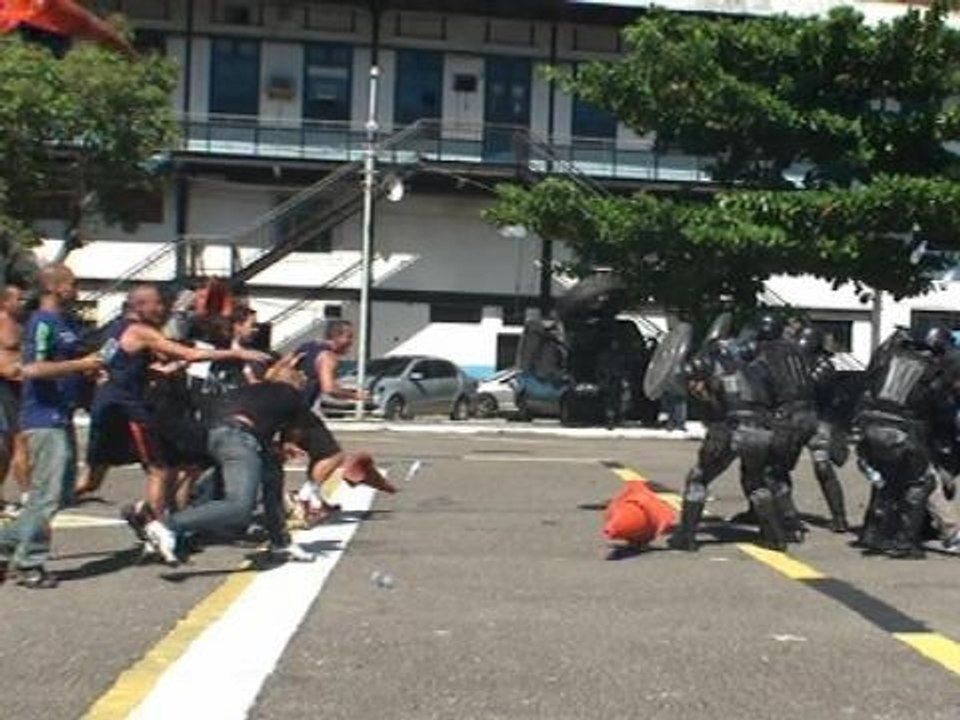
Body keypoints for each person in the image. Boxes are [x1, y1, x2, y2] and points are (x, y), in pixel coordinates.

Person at [87, 284, 268, 531]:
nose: (161, 308)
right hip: (128, 408)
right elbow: (189, 354)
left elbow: (99, 363)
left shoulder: (113, 329)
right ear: (139, 306)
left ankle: (39, 505)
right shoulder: (141, 331)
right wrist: (238, 354)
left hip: (105, 406)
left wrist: (147, 372)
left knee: (91, 481)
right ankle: (159, 529)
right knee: (160, 469)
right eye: (156, 303)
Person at [138, 356, 327, 564]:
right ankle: (165, 526)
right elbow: (295, 433)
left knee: (272, 472)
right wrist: (286, 445)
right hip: (238, 438)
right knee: (239, 506)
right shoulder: (290, 394)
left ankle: (280, 541)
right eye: (300, 379)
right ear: (293, 383)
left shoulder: (247, 390)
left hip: (209, 434)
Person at [0, 265, 102, 588]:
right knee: (47, 495)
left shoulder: (65, 323)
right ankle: (30, 562)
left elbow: (62, 366)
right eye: (72, 283)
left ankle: (6, 545)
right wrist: (81, 364)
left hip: (62, 414)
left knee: (57, 493)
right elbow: (33, 368)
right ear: (56, 287)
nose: (76, 289)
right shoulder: (43, 323)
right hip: (43, 418)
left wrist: (87, 371)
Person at [669, 336, 787, 551]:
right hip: (763, 431)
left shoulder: (714, 366)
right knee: (756, 482)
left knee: (698, 478)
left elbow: (716, 406)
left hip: (734, 427)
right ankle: (775, 537)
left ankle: (686, 538)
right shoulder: (756, 370)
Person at [855, 328, 953, 558]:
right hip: (901, 432)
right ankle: (905, 542)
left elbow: (866, 385)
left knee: (886, 482)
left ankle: (874, 534)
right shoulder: (930, 370)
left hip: (870, 428)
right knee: (920, 483)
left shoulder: (889, 360)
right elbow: (939, 408)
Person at [292, 320, 366, 524]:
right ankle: (303, 498)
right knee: (335, 455)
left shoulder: (306, 347)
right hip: (301, 412)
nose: (351, 342)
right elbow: (329, 388)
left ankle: (317, 501)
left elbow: (284, 365)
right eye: (349, 337)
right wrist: (353, 395)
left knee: (319, 454)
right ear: (338, 337)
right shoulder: (328, 357)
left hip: (287, 406)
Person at [797, 326, 850, 532]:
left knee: (823, 468)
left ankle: (839, 517)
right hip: (801, 418)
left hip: (819, 420)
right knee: (777, 465)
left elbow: (828, 394)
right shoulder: (796, 362)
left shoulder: (825, 365)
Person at [0, 285, 27, 514]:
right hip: (5, 387)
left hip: (20, 387)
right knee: (17, 442)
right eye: (19, 299)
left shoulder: (21, 324)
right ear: (4, 302)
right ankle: (28, 495)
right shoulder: (1, 322)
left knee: (11, 446)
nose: (23, 302)